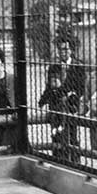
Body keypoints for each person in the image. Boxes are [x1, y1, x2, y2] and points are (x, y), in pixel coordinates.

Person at [44, 33, 85, 162]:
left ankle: (74, 161)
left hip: (71, 105)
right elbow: (49, 87)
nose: (63, 52)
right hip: (56, 105)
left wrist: (72, 95)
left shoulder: (79, 66)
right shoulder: (53, 66)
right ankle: (58, 160)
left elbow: (81, 88)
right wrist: (44, 100)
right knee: (57, 135)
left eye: (66, 49)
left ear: (71, 50)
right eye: (60, 49)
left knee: (71, 134)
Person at [39, 66, 80, 162]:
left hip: (67, 123)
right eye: (51, 79)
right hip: (55, 121)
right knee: (57, 142)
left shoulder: (67, 89)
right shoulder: (49, 90)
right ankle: (58, 160)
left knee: (70, 143)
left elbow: (74, 104)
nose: (53, 82)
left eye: (56, 79)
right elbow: (41, 102)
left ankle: (73, 162)